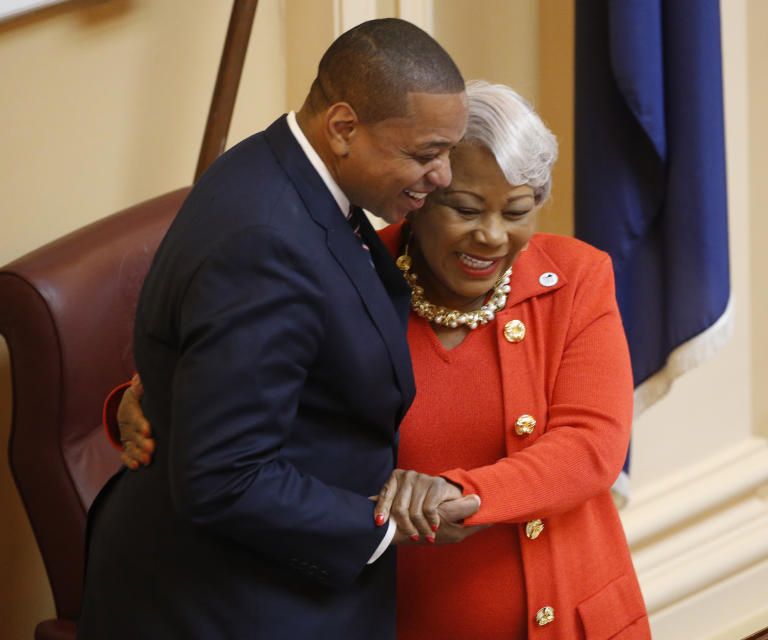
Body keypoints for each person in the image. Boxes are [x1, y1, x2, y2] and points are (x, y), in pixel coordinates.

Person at [109, 80, 651, 638]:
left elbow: (591, 445)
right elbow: (241, 366)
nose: (492, 236)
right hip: (399, 617)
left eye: (517, 212)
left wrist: (464, 494)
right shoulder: (345, 269)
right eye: (465, 209)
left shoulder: (574, 278)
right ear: (420, 197)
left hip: (572, 618)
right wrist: (145, 394)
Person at [78, 18, 480, 640]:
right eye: (425, 154)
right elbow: (224, 478)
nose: (444, 176)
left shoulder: (277, 164)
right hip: (232, 602)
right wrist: (385, 528)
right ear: (344, 128)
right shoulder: (265, 246)